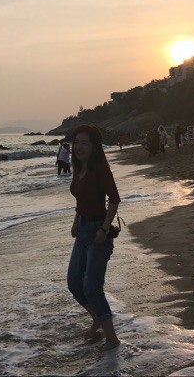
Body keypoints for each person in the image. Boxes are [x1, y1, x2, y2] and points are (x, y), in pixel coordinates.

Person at [67, 124, 121, 351]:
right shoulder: (78, 167)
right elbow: (80, 200)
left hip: (98, 232)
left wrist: (104, 229)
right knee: (74, 283)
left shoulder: (101, 169)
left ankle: (112, 339)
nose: (79, 147)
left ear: (94, 146)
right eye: (76, 142)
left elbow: (114, 200)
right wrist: (75, 222)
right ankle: (97, 318)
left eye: (84, 143)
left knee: (92, 287)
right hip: (82, 229)